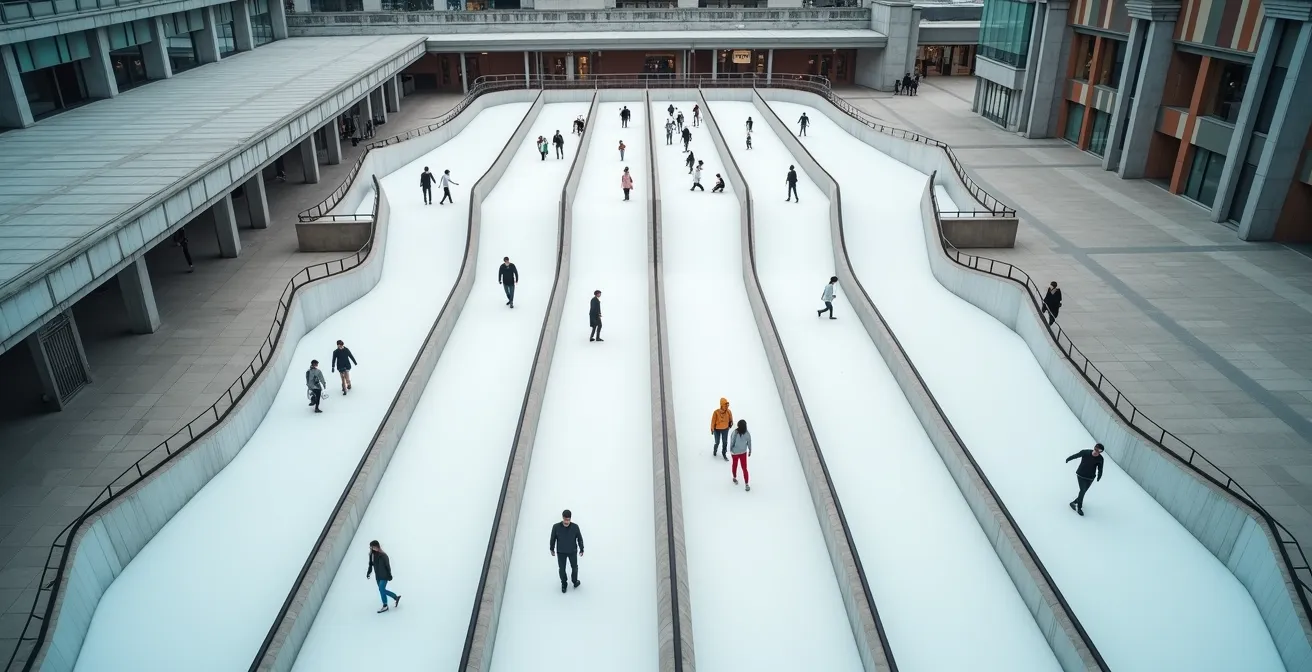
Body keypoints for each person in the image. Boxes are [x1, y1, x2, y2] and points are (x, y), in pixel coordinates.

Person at [1065, 443, 1105, 516]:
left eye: (1099, 451)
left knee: (1083, 492)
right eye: (1096, 449)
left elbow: (1100, 469)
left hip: (1090, 478)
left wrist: (1099, 476)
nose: (1096, 452)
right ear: (1094, 448)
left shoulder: (1100, 459)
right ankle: (1079, 507)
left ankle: (1074, 502)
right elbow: (1076, 455)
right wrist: (1068, 458)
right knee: (1082, 490)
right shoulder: (1085, 452)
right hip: (1081, 475)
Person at [550, 510, 584, 593]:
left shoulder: (575, 527)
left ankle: (575, 581)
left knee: (574, 567)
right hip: (561, 552)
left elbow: (579, 538)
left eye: (568, 520)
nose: (566, 521)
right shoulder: (556, 527)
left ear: (570, 519)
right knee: (562, 569)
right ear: (562, 518)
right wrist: (552, 548)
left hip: (572, 551)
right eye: (565, 519)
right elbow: (553, 538)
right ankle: (564, 583)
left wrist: (581, 549)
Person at [366, 541, 401, 613]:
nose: (373, 548)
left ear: (378, 546)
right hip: (378, 576)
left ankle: (387, 604)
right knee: (381, 590)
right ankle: (393, 599)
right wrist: (369, 572)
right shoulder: (372, 555)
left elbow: (388, 566)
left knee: (381, 589)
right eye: (372, 547)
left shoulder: (384, 555)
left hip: (384, 576)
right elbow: (370, 565)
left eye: (374, 547)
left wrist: (389, 575)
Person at [729, 419, 752, 491]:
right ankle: (746, 484)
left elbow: (732, 441)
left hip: (735, 453)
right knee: (744, 468)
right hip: (743, 453)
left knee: (734, 465)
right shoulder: (747, 433)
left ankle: (734, 477)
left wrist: (731, 449)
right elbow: (749, 442)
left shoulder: (735, 432)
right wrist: (750, 450)